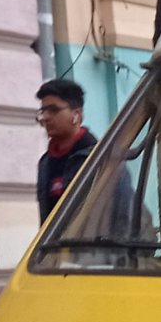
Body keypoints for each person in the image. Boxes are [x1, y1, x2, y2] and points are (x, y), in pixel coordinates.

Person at [35, 79, 97, 223]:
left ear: (76, 114)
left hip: (92, 244)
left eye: (53, 110)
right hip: (56, 245)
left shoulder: (97, 157)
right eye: (43, 111)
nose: (46, 117)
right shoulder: (45, 163)